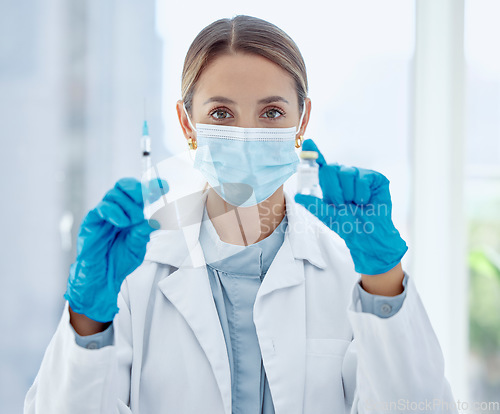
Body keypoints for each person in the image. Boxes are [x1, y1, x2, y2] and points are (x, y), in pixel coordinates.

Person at [25, 15, 457, 414]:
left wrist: (384, 282)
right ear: (187, 123)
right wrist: (88, 320)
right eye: (221, 114)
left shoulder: (350, 270)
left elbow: (419, 407)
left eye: (271, 113)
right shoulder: (135, 274)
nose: (247, 134)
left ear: (301, 121)